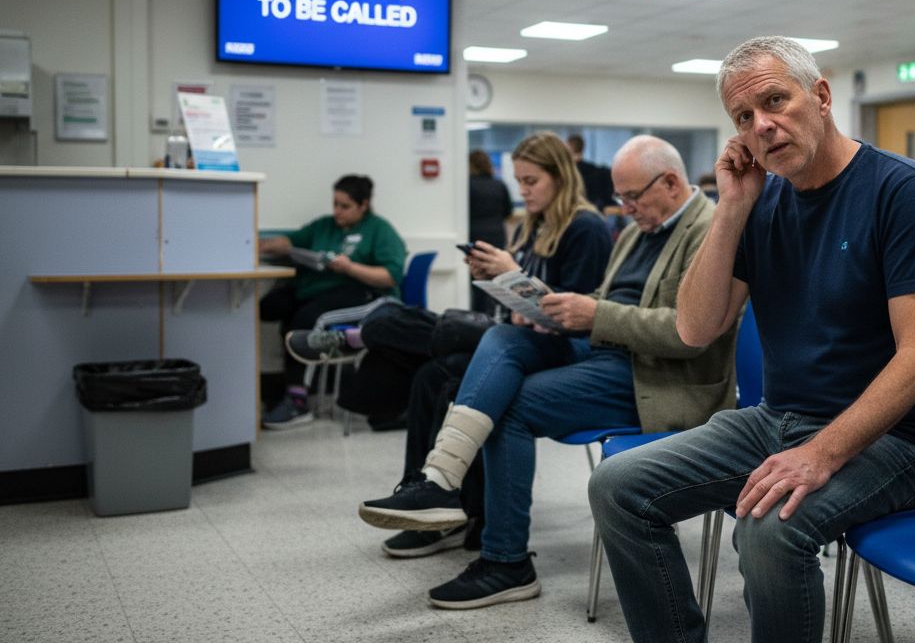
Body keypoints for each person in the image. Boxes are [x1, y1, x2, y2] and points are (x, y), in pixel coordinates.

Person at [590, 36, 915, 643]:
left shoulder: (900, 190)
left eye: (774, 101)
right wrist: (731, 208)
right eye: (743, 117)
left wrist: (822, 453)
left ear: (819, 96)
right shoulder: (761, 200)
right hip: (776, 419)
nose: (762, 125)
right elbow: (695, 326)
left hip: (893, 440)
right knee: (616, 486)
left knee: (766, 529)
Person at [355, 135, 737, 610]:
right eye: (621, 198)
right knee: (503, 339)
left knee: (510, 406)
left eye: (633, 196)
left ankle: (506, 560)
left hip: (656, 379)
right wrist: (548, 311)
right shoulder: (641, 229)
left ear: (673, 182)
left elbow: (688, 335)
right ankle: (439, 480)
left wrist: (592, 314)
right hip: (609, 352)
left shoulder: (709, 233)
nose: (626, 208)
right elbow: (608, 296)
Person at [292, 133, 613, 554]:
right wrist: (496, 277)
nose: (523, 191)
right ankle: (428, 501)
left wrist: (511, 270)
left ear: (560, 177)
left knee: (405, 322)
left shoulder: (585, 227)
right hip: (523, 336)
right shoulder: (538, 225)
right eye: (519, 181)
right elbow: (526, 307)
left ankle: (360, 337)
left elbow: (574, 316)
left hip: (558, 351)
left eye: (531, 181)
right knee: (432, 374)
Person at [258, 174, 406, 428]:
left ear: (363, 205)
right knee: (270, 306)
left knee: (307, 319)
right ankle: (271, 387)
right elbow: (292, 241)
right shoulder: (325, 226)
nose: (337, 211)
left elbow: (390, 277)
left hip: (363, 293)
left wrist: (350, 267)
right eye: (335, 204)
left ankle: (298, 400)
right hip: (317, 289)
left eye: (345, 206)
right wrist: (269, 245)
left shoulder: (379, 230)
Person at [467, 149, 514, 313]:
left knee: (478, 281)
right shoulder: (499, 184)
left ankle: (478, 318)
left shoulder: (467, 185)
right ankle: (497, 313)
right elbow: (508, 211)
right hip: (496, 237)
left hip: (475, 238)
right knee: (498, 280)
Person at [567, 133, 615, 211]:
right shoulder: (596, 170)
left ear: (569, 148)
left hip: (577, 210)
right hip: (595, 210)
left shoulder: (568, 173)